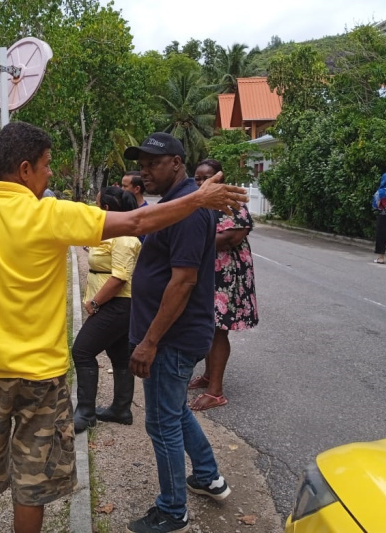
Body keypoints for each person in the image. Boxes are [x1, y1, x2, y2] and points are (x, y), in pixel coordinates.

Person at [0, 122, 247, 533]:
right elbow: (138, 223)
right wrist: (199, 199)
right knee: (31, 488)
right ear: (24, 169)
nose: (51, 174)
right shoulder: (51, 214)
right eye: (47, 165)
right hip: (40, 378)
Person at [124, 133, 231, 533]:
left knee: (161, 423)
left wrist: (150, 342)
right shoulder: (175, 203)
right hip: (166, 334)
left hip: (170, 337)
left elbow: (183, 281)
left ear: (177, 162)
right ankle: (207, 476)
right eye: (143, 163)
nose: (145, 171)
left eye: (154, 163)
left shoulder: (189, 210)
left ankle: (173, 510)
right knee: (174, 412)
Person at [189, 159, 259, 412]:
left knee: (219, 330)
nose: (201, 182)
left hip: (227, 276)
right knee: (208, 326)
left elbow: (231, 237)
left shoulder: (232, 202)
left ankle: (216, 392)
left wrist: (193, 238)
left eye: (206, 177)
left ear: (220, 177)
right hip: (207, 273)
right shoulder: (198, 203)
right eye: (197, 178)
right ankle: (208, 376)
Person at [71, 186, 141, 433]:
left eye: (99, 205)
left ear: (108, 210)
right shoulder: (113, 234)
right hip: (118, 303)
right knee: (120, 355)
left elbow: (120, 277)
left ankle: (86, 413)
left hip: (118, 303)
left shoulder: (124, 237)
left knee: (82, 351)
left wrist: (94, 302)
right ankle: (121, 409)